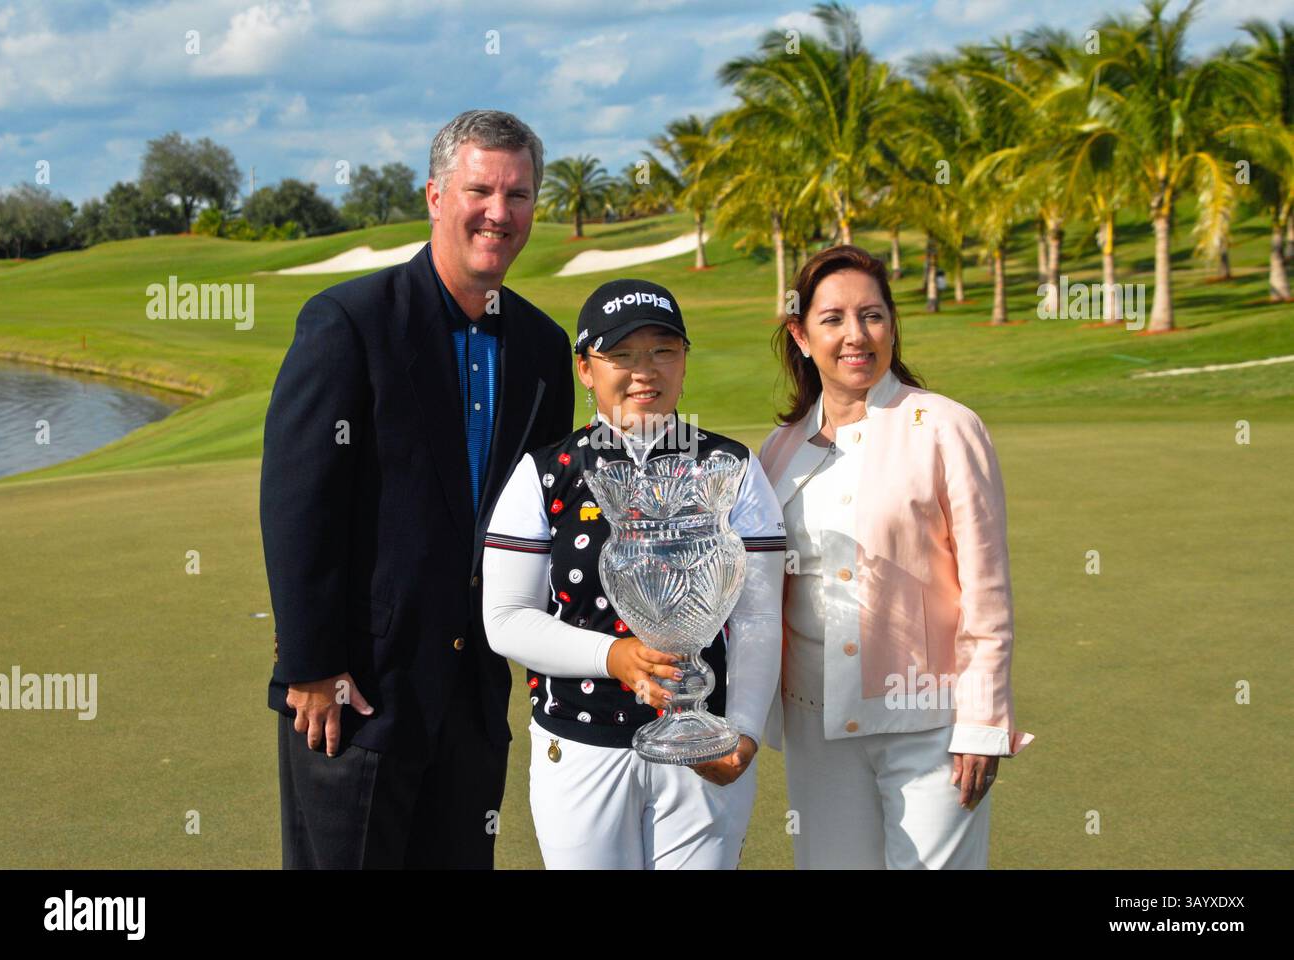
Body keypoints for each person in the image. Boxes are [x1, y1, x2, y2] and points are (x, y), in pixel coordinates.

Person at [260, 109, 574, 869]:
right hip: (355, 696)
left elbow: (548, 519)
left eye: (520, 194)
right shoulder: (348, 322)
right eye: (480, 190)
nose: (499, 213)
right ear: (436, 196)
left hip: (472, 702)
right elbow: (299, 503)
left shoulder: (542, 346)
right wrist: (309, 665)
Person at [481, 278, 785, 869]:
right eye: (621, 354)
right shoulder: (546, 473)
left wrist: (743, 730)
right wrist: (613, 658)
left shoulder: (731, 466)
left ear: (684, 361)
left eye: (663, 350)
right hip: (581, 738)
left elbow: (757, 614)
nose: (645, 370)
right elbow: (506, 620)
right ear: (586, 369)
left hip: (705, 744)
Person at [757, 245, 1033, 869]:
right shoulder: (777, 449)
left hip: (926, 723)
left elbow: (987, 591)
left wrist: (982, 723)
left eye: (872, 315)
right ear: (801, 335)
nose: (855, 335)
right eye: (832, 319)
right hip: (815, 726)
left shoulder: (946, 428)